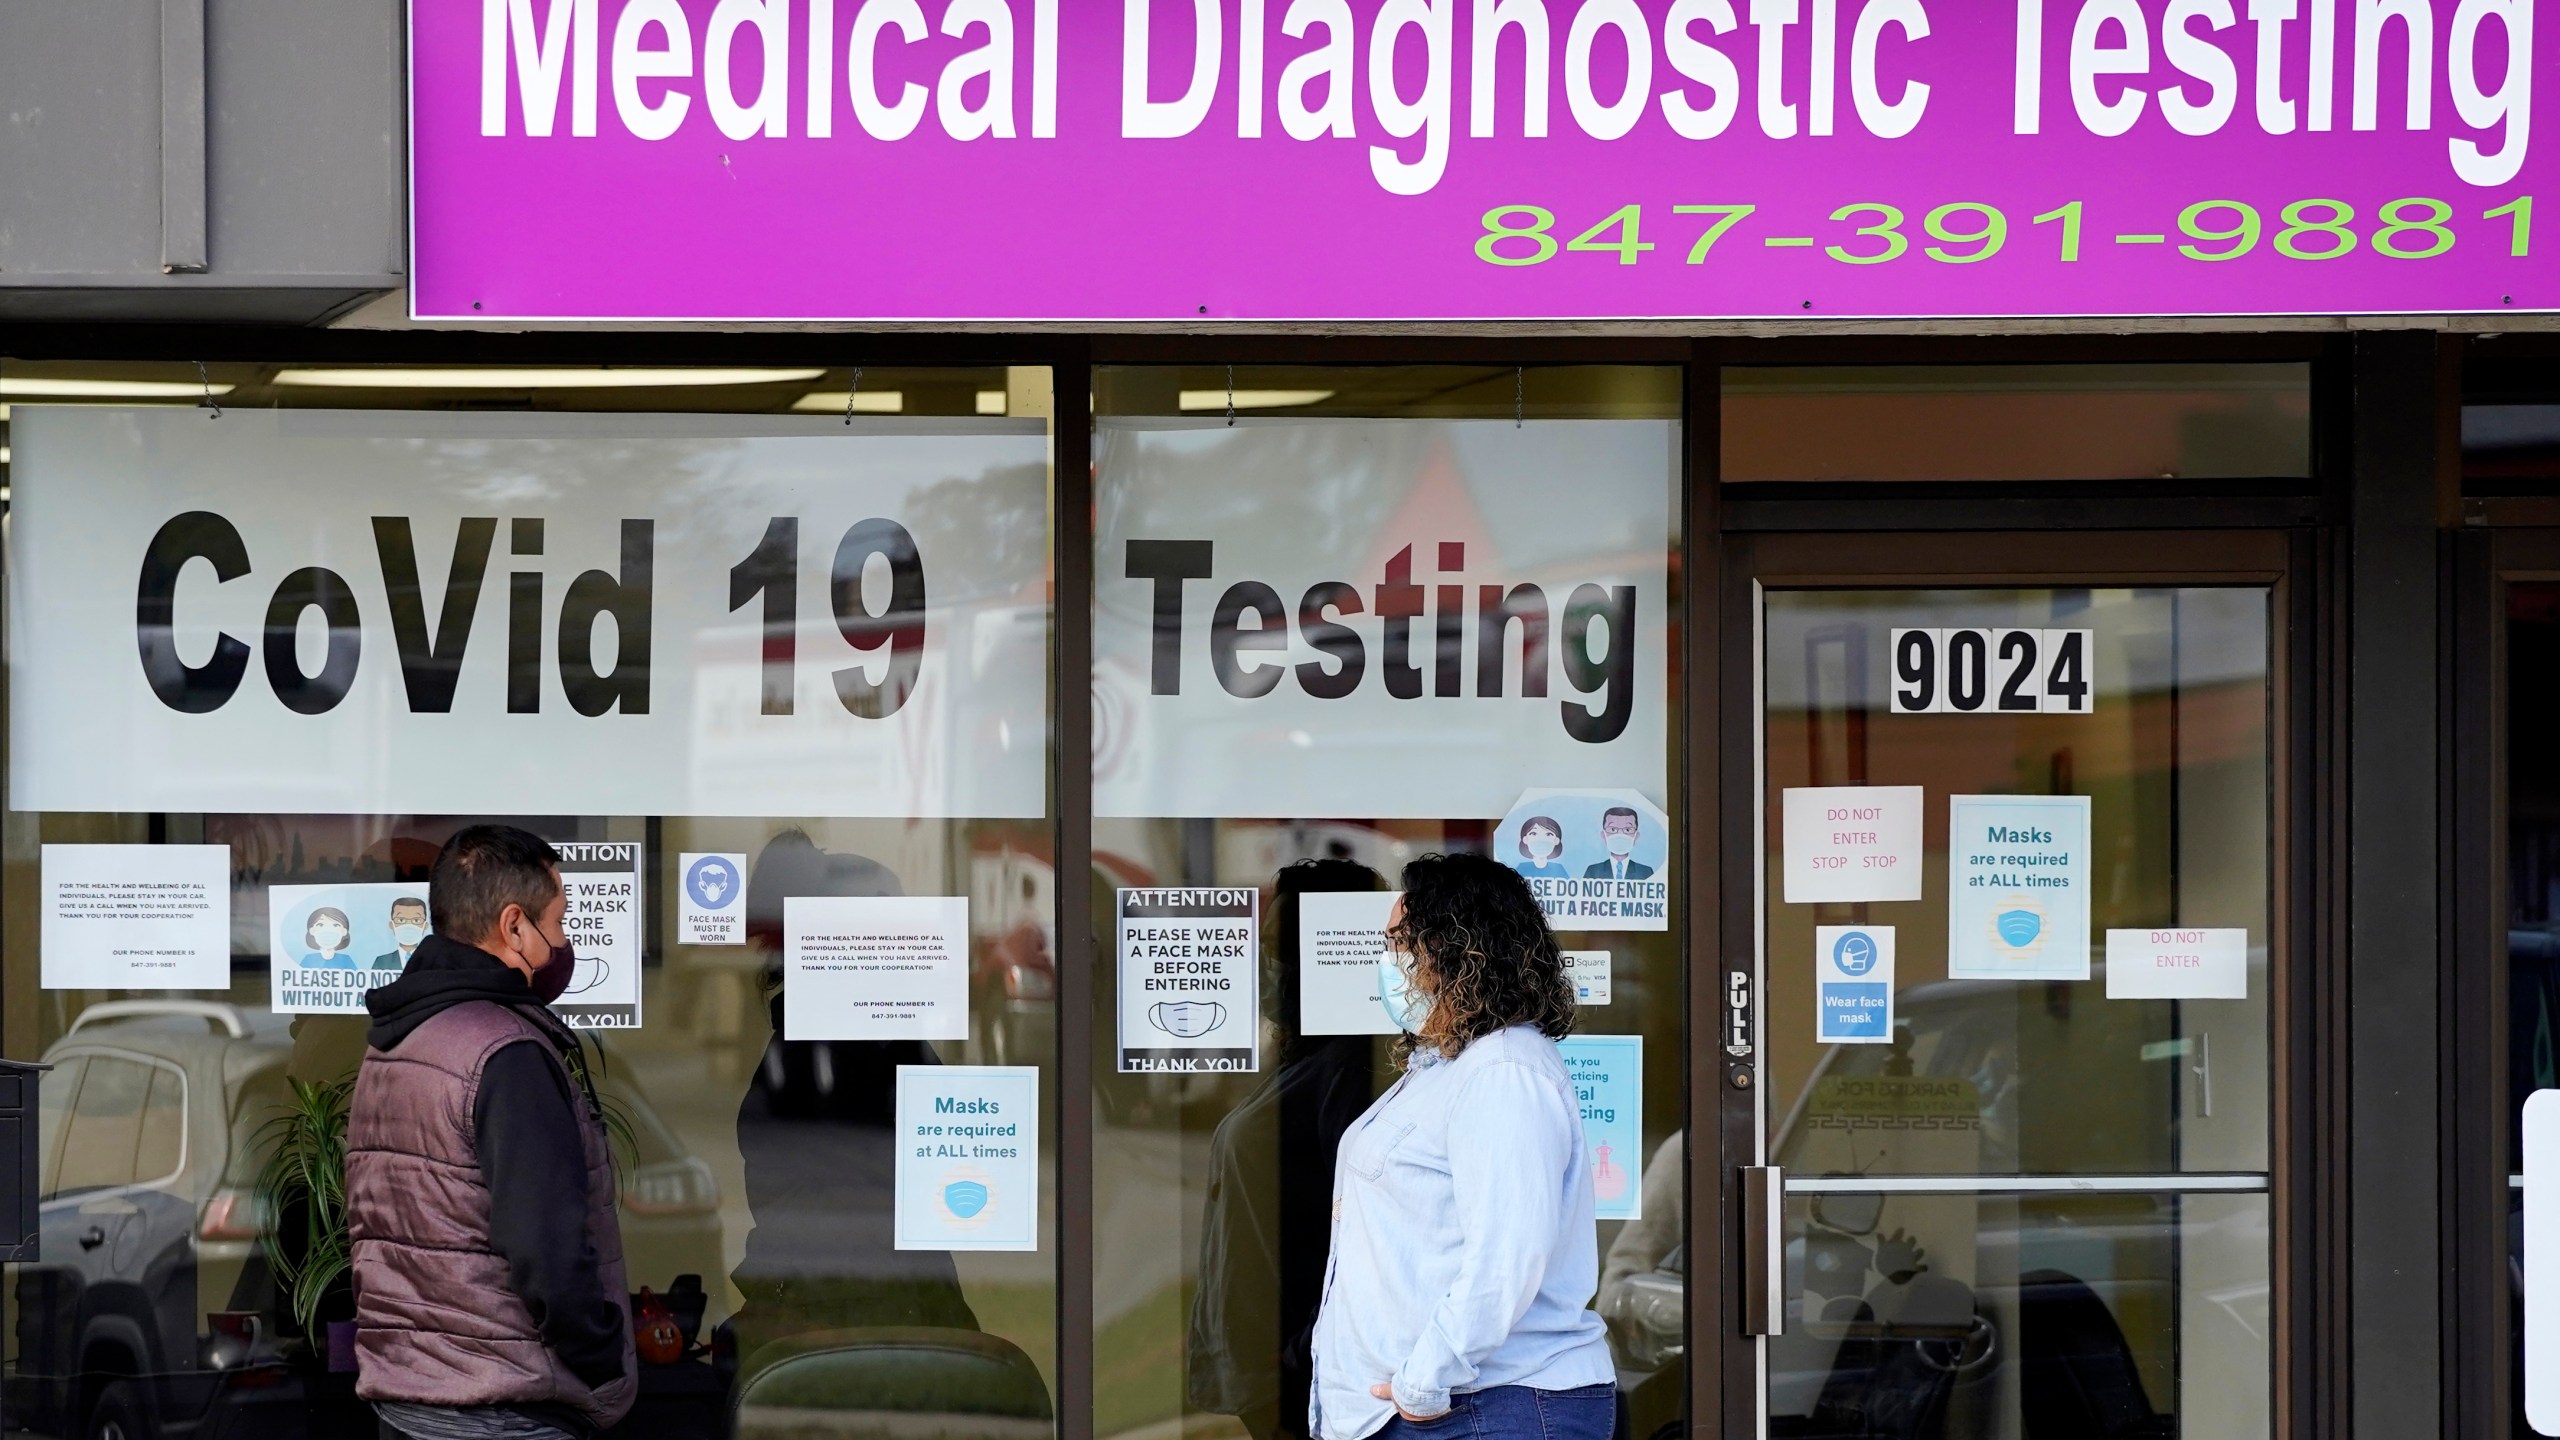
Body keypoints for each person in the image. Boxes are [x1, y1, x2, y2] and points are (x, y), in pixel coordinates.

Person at [1310, 853, 1615, 1440]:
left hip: (1484, 1408)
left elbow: (1507, 1256)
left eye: (1402, 942)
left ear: (1458, 949)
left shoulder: (1503, 1072)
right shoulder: (1449, 1067)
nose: (1389, 961)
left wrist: (1424, 1379)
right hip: (1439, 1407)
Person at [346, 825, 636, 1440]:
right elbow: (545, 1246)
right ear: (513, 926)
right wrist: (602, 1352)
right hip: (504, 1409)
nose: (563, 942)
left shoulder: (396, 1040)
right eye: (557, 923)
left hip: (409, 1403)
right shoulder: (507, 1053)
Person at [1581, 807, 1653, 881]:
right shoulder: (1593, 871)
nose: (1620, 834)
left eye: (1627, 830)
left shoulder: (1646, 872)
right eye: (1613, 829)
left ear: (1636, 836)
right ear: (1603, 835)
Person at [372, 895, 430, 970]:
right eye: (401, 920)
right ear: (391, 925)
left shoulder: (431, 962)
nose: (409, 926)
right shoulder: (382, 962)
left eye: (416, 920)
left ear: (425, 925)